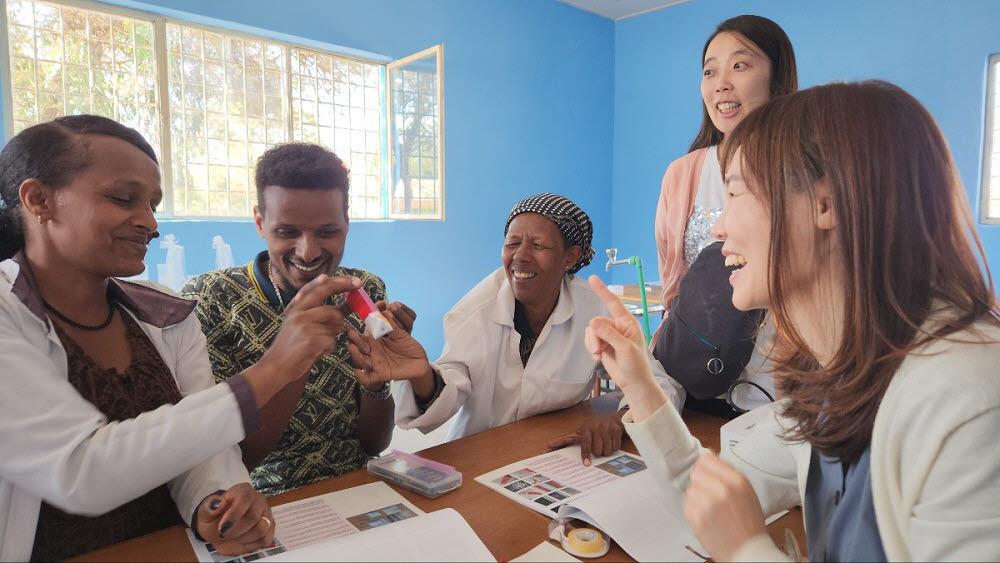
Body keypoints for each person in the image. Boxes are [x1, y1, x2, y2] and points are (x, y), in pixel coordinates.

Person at [587, 81, 1000, 560]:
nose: (719, 228)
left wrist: (747, 549)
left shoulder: (968, 395)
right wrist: (640, 384)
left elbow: (733, 530)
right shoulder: (838, 377)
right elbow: (714, 504)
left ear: (826, 204)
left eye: (737, 193)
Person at [0, 116, 355, 560]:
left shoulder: (163, 312)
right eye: (123, 198)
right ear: (39, 199)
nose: (150, 223)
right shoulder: (8, 314)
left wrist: (214, 500)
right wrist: (276, 367)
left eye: (152, 204)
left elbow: (200, 440)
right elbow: (79, 471)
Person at [347, 194, 684, 464]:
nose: (520, 257)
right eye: (512, 243)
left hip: (558, 453)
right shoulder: (474, 313)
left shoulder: (595, 310)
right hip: (478, 456)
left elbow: (661, 385)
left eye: (537, 245)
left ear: (571, 257)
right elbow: (449, 390)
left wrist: (622, 416)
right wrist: (421, 374)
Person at [181, 143, 398, 496]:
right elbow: (227, 463)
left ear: (347, 224)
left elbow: (373, 446)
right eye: (287, 232)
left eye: (328, 232)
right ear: (259, 223)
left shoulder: (363, 290)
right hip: (260, 501)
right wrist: (293, 358)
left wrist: (377, 383)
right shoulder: (211, 299)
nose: (308, 252)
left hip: (358, 488)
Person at [654, 14, 798, 412]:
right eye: (709, 71)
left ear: (777, 76)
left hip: (784, 400)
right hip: (696, 392)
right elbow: (675, 295)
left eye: (740, 65)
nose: (721, 83)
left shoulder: (807, 169)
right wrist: (652, 397)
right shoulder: (682, 175)